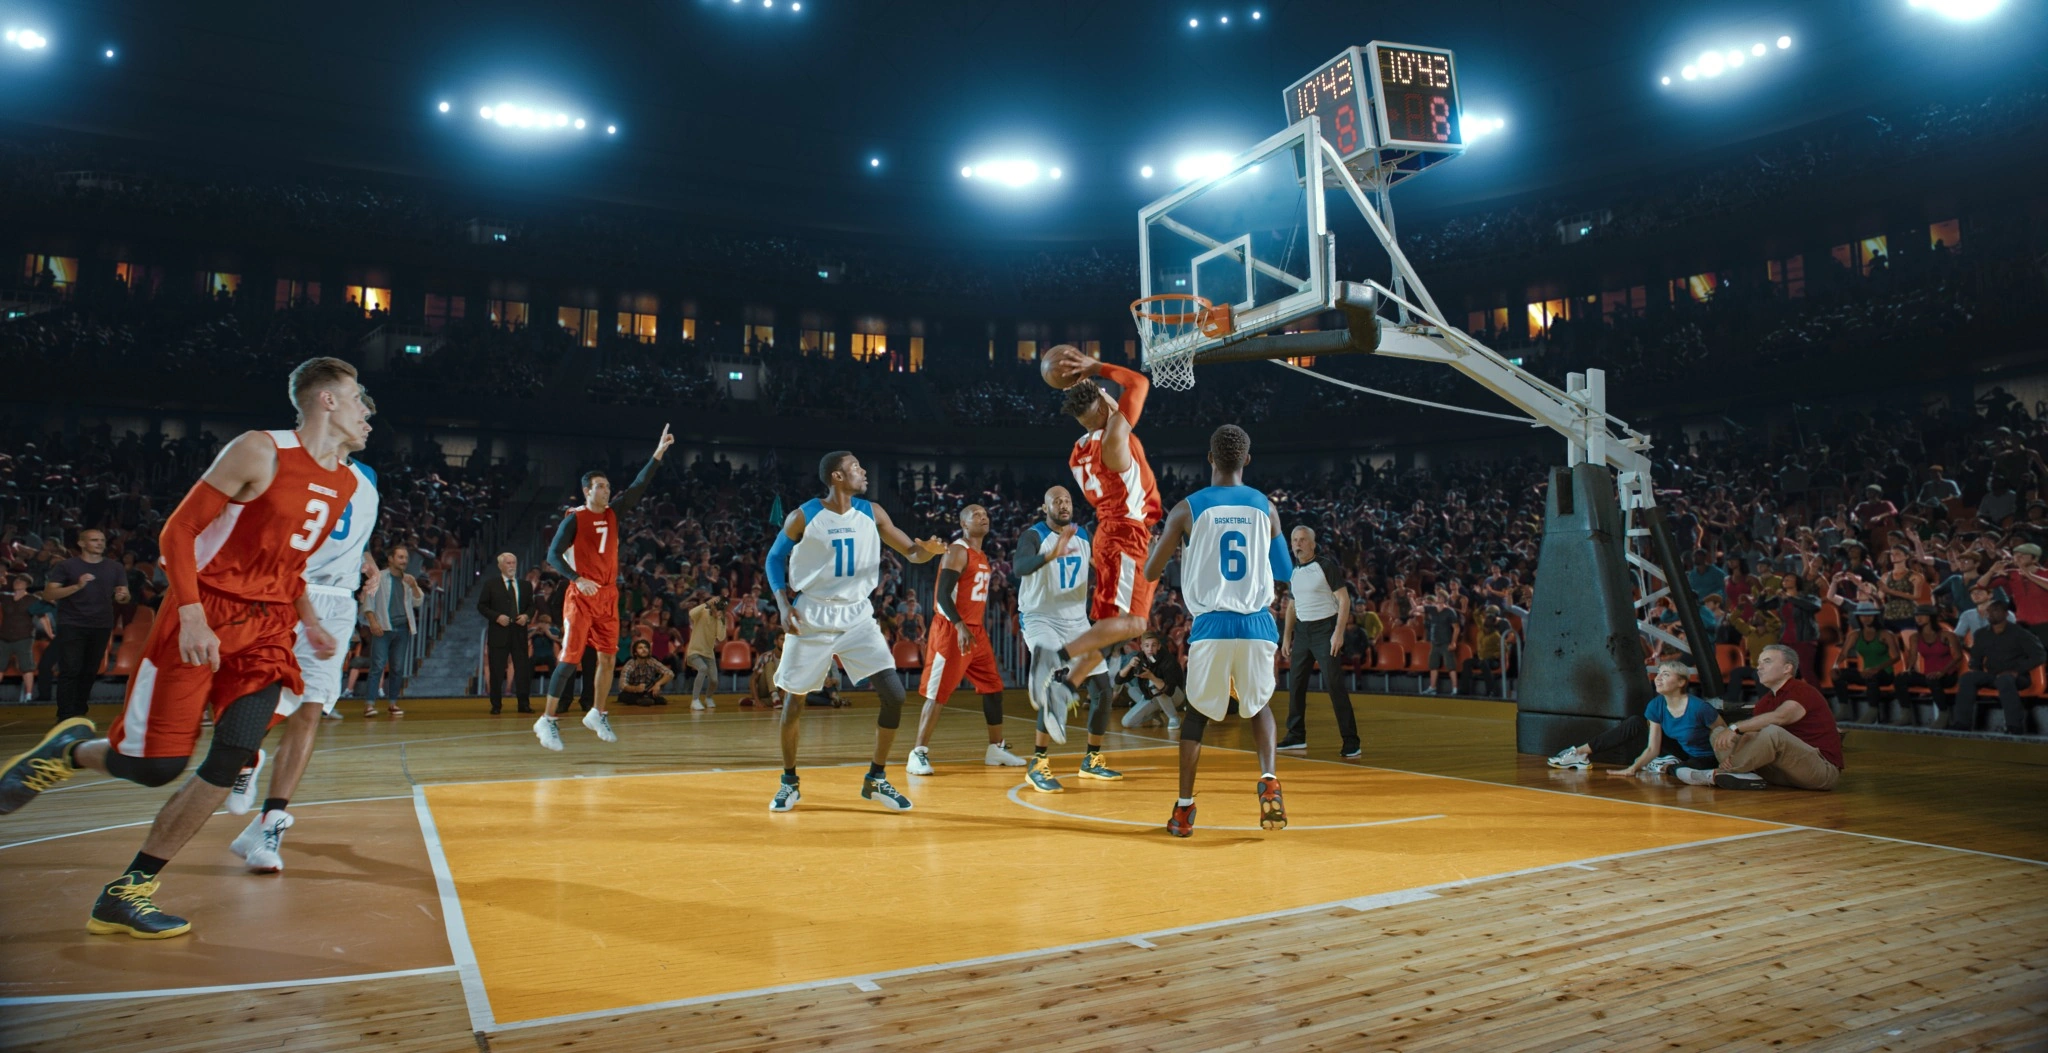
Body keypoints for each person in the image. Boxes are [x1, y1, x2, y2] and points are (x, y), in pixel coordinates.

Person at [0, 356, 369, 938]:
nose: (366, 411)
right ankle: (69, 751)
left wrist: (308, 622)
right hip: (203, 614)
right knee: (153, 768)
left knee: (231, 757)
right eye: (358, 398)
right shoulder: (260, 450)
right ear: (326, 400)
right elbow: (179, 530)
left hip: (267, 628)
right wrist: (192, 614)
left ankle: (128, 891)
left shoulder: (346, 481)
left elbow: (289, 565)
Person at [227, 410, 380, 873]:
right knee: (268, 690)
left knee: (313, 704)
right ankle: (245, 755)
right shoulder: (286, 462)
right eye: (364, 414)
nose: (371, 426)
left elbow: (347, 529)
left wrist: (368, 559)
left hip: (338, 599)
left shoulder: (368, 476)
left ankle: (270, 820)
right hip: (284, 589)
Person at [767, 451, 947, 812]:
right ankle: (789, 782)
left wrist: (926, 551)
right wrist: (784, 605)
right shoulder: (805, 515)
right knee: (794, 700)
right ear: (836, 476)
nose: (863, 472)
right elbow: (774, 558)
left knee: (894, 696)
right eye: (855, 468)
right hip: (813, 613)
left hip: (857, 616)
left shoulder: (872, 512)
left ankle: (876, 779)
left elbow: (910, 552)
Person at [1141, 425, 1290, 838]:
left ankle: (1184, 810)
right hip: (1258, 622)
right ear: (1247, 459)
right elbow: (1284, 573)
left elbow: (1153, 572)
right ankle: (1269, 780)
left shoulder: (1187, 509)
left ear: (1209, 459)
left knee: (1197, 715)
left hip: (1212, 624)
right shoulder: (1265, 507)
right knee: (1258, 705)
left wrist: (1166, 545)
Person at [1038, 347, 1165, 723]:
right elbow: (1138, 383)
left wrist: (1084, 382)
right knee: (1135, 625)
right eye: (1105, 401)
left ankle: (1063, 690)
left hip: (1112, 533)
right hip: (1127, 535)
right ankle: (1055, 658)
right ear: (1099, 412)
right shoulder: (1114, 437)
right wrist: (1097, 366)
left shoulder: (1078, 450)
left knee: (1110, 633)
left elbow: (1107, 400)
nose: (1112, 401)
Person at [534, 425, 673, 750]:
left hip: (608, 596)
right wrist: (576, 578)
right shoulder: (575, 519)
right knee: (570, 660)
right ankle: (547, 720)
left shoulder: (613, 513)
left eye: (608, 486)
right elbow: (553, 555)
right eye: (600, 486)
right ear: (586, 491)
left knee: (609, 659)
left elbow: (639, 486)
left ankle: (597, 712)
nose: (607, 490)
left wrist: (658, 453)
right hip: (581, 596)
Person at [906, 504, 1030, 776]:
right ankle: (918, 753)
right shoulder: (957, 550)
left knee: (993, 687)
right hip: (952, 629)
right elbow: (942, 595)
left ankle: (996, 748)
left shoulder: (981, 554)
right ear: (963, 523)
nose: (983, 517)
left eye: (985, 514)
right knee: (938, 694)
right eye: (976, 515)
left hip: (974, 631)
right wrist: (959, 625)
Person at [1010, 485, 1119, 792]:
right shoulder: (1033, 536)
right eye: (1056, 501)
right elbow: (1019, 567)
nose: (1063, 504)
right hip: (1040, 618)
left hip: (1076, 621)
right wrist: (1051, 553)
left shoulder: (1082, 535)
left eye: (1067, 500)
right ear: (1045, 508)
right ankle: (1039, 763)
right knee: (1054, 681)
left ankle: (1092, 760)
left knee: (1103, 689)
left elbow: (1106, 567)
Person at [1676, 644, 1843, 791]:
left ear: (1787, 668)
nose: (1759, 667)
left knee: (1773, 733)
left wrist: (1735, 728)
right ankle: (1742, 773)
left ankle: (1719, 774)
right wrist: (1733, 755)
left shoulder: (1803, 690)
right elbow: (1751, 735)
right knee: (1719, 732)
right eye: (1759, 662)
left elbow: (1781, 717)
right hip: (1783, 773)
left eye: (1767, 661)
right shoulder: (1766, 701)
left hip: (1821, 771)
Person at [1548, 661, 1724, 775]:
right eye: (1659, 673)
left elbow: (1725, 735)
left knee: (1682, 771)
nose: (1658, 678)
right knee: (1635, 722)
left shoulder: (1700, 708)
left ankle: (1667, 765)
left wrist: (1730, 763)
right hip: (1680, 751)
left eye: (1666, 675)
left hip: (1706, 757)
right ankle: (1580, 752)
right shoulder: (1656, 705)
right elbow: (1653, 748)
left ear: (1681, 682)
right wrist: (1631, 770)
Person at [1277, 525, 1360, 757]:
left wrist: (1339, 632)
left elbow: (1344, 600)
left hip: (1325, 629)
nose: (1298, 544)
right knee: (1296, 685)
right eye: (1294, 540)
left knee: (1335, 686)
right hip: (1303, 632)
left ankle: (1351, 740)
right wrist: (1286, 636)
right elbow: (1292, 605)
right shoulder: (1294, 571)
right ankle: (1295, 736)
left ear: (1312, 544)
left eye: (1303, 540)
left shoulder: (1326, 566)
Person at [43, 528, 133, 722]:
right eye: (94, 540)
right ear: (82, 543)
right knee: (70, 669)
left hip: (101, 624)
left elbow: (124, 595)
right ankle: (66, 716)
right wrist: (77, 586)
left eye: (101, 540)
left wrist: (122, 596)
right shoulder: (67, 566)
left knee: (90, 670)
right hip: (72, 623)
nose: (100, 543)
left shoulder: (114, 567)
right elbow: (49, 594)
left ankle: (79, 711)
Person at [1951, 600, 2046, 734]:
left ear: (2006, 614)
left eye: (1995, 610)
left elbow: (2040, 655)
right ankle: (1962, 723)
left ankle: (2014, 727)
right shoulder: (1981, 634)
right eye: (1989, 611)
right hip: (1992, 675)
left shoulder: (2020, 633)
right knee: (1967, 678)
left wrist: (2016, 671)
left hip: (2017, 677)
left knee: (2005, 679)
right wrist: (1976, 668)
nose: (1990, 613)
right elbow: (1976, 658)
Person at [357, 543, 421, 717]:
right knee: (377, 665)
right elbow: (368, 602)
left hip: (402, 628)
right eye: (400, 557)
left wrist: (414, 586)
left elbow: (418, 602)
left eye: (406, 558)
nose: (404, 561)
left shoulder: (408, 579)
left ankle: (393, 703)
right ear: (391, 559)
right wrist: (373, 622)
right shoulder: (379, 577)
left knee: (398, 667)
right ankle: (369, 704)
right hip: (384, 627)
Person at [476, 551, 537, 714]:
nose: (511, 566)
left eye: (513, 563)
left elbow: (532, 606)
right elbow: (481, 606)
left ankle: (524, 704)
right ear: (500, 566)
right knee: (496, 670)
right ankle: (496, 705)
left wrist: (526, 616)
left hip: (519, 633)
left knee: (523, 669)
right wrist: (496, 617)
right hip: (499, 633)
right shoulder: (491, 584)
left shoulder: (525, 585)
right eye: (508, 563)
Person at [1831, 604, 1899, 723]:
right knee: (1839, 675)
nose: (1866, 618)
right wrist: (1835, 666)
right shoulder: (1855, 634)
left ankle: (1873, 710)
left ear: (1875, 616)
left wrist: (1876, 669)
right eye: (1863, 615)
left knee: (1872, 678)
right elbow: (1843, 653)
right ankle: (1844, 708)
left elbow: (1896, 657)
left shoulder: (1885, 634)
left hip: (1884, 673)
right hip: (1865, 672)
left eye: (1869, 615)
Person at [1893, 606, 1961, 720]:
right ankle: (1906, 713)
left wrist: (1942, 672)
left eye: (1922, 615)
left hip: (1947, 675)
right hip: (1928, 675)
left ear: (1930, 617)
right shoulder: (1915, 637)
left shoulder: (1947, 635)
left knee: (1933, 679)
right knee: (1900, 678)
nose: (1918, 618)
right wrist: (1909, 669)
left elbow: (1958, 656)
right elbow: (1913, 656)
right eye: (1916, 616)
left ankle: (1943, 714)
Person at [1117, 631, 1186, 732]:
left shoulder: (1168, 660)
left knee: (1153, 684)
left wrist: (1151, 676)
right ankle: (1153, 713)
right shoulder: (1140, 658)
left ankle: (1174, 717)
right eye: (1147, 645)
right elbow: (1118, 680)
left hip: (1175, 696)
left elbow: (1169, 690)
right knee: (1126, 720)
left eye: (1153, 645)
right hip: (1155, 697)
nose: (1150, 649)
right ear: (1142, 647)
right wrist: (1129, 665)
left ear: (1158, 646)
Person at [1, 573, 44, 703]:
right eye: (17, 580)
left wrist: (50, 633)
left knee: (27, 667)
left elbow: (43, 617)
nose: (18, 582)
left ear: (26, 585)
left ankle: (28, 695)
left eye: (21, 581)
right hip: (4, 637)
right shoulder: (5, 598)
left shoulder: (33, 600)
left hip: (24, 637)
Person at [684, 593, 725, 709]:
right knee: (702, 668)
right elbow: (691, 613)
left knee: (714, 680)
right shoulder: (702, 612)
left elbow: (721, 637)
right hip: (694, 651)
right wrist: (706, 603)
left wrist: (719, 619)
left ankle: (708, 697)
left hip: (709, 654)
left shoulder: (721, 619)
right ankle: (695, 700)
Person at [1419, 592, 1461, 695]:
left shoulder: (1450, 612)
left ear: (1444, 599)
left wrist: (1453, 642)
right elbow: (1417, 609)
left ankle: (1455, 689)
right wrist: (1411, 599)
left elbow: (1456, 628)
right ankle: (1432, 687)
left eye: (1439, 597)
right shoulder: (1432, 609)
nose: (1437, 598)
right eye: (1437, 596)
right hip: (1435, 642)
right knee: (1433, 665)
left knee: (1451, 666)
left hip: (1446, 642)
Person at [615, 639, 674, 705]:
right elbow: (622, 685)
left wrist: (658, 684)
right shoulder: (630, 665)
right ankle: (643, 700)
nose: (644, 649)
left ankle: (647, 699)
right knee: (623, 696)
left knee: (660, 699)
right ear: (635, 653)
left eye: (646, 647)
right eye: (640, 648)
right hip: (632, 692)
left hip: (648, 691)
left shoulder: (652, 661)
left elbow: (670, 673)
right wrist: (636, 688)